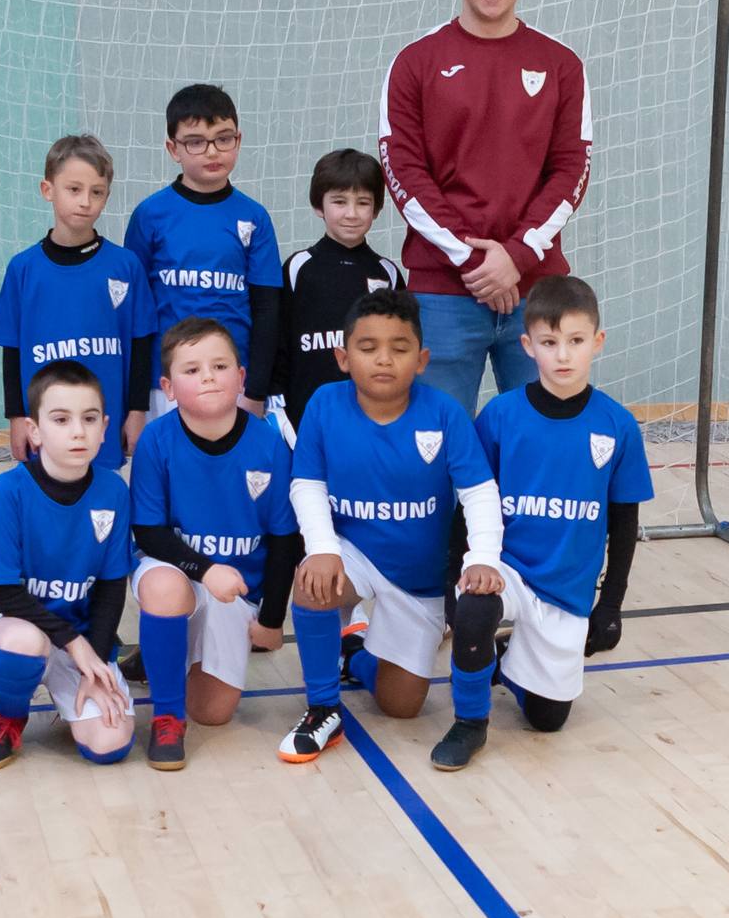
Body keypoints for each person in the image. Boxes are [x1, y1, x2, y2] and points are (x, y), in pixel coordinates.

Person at [379, 0, 591, 414]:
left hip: (537, 294)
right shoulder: (415, 63)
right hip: (444, 293)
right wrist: (477, 263)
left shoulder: (561, 65)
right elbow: (403, 173)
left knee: (543, 446)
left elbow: (572, 169)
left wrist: (515, 257)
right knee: (437, 453)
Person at [279, 290, 504, 769]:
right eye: (368, 347)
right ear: (343, 357)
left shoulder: (444, 413)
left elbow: (480, 493)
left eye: (400, 348)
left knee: (401, 707)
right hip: (352, 551)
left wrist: (482, 558)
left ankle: (353, 653)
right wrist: (321, 548)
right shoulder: (324, 404)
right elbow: (306, 484)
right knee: (312, 583)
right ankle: (323, 708)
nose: (384, 359)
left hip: (418, 576)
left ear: (421, 360)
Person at [465, 275, 652, 755]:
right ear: (528, 345)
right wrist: (458, 568)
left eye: (575, 341)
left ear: (598, 342)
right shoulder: (501, 415)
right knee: (474, 608)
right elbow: (470, 499)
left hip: (566, 588)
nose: (563, 355)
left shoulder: (617, 425)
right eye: (550, 342)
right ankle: (468, 721)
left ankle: (512, 662)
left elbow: (624, 523)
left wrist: (610, 605)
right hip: (505, 572)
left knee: (548, 722)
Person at [128, 319, 297, 769]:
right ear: (167, 387)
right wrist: (205, 569)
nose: (207, 376)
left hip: (237, 593)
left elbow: (285, 538)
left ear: (241, 378)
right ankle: (166, 715)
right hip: (177, 569)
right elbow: (148, 532)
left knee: (214, 713)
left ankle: (162, 650)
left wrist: (273, 618)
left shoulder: (270, 444)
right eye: (192, 369)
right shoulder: (156, 442)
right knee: (166, 590)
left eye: (220, 366)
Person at [0, 360, 136, 771]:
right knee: (25, 643)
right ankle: (9, 713)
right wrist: (76, 645)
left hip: (78, 634)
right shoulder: (6, 493)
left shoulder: (113, 490)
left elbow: (111, 585)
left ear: (105, 427)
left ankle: (67, 696)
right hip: (9, 626)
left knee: (110, 744)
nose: (78, 430)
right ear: (34, 431)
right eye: (61, 419)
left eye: (89, 418)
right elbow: (3, 590)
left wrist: (100, 660)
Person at [0, 134, 158, 471]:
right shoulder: (23, 268)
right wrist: (17, 416)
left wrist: (137, 412)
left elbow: (141, 345)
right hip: (45, 426)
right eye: (74, 189)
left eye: (97, 192)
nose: (85, 201)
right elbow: (12, 351)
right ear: (47, 190)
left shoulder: (126, 266)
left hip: (104, 424)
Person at [123, 83, 283, 417]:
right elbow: (134, 313)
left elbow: (267, 311)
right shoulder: (150, 215)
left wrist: (255, 391)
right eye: (196, 142)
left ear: (238, 140)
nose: (212, 151)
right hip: (166, 384)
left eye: (223, 138)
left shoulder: (254, 218)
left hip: (234, 381)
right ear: (173, 148)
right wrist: (135, 403)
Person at [268, 146, 407, 446]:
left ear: (377, 209)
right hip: (304, 423)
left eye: (363, 202)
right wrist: (278, 409)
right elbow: (278, 343)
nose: (352, 213)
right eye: (340, 202)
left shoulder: (388, 274)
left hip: (374, 425)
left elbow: (402, 348)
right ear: (319, 205)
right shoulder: (298, 268)